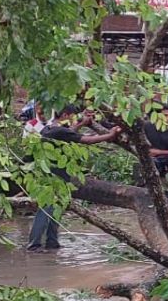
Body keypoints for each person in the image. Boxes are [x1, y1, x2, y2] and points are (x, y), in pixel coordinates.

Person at [28, 105, 121, 251]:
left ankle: (52, 243)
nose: (74, 119)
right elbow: (87, 140)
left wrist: (82, 124)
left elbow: (70, 132)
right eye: (73, 116)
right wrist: (110, 135)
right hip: (54, 177)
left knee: (56, 209)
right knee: (46, 209)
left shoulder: (52, 128)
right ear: (66, 115)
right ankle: (34, 245)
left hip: (51, 175)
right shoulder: (59, 130)